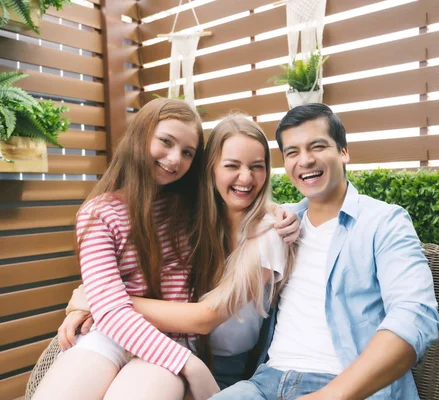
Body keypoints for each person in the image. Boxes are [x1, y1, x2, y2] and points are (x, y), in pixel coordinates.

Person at [33, 104, 298, 400]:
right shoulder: (102, 214)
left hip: (170, 343)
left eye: (187, 153)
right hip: (111, 336)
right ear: (140, 136)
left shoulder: (187, 208)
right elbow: (109, 304)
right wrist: (96, 303)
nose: (175, 159)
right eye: (166, 142)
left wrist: (101, 301)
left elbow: (245, 204)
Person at [209, 103, 439, 400]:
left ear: (343, 151)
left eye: (317, 146)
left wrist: (331, 395)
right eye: (292, 152)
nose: (305, 160)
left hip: (344, 387)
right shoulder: (279, 223)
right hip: (264, 383)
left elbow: (416, 315)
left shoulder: (383, 222)